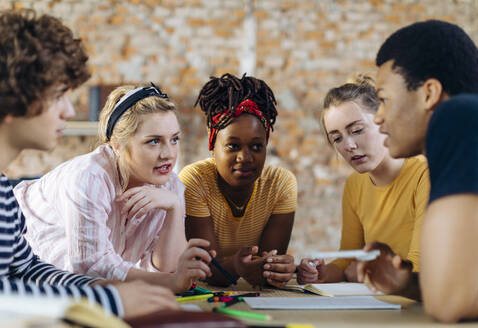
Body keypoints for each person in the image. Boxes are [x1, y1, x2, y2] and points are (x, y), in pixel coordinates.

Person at [0, 9, 179, 319]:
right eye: (58, 96)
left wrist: (103, 290)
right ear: (13, 97)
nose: (69, 111)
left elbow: (26, 270)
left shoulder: (3, 192)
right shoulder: (88, 176)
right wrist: (110, 302)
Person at [14, 83, 214, 294]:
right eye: (154, 141)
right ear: (117, 145)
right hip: (14, 255)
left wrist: (174, 208)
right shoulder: (88, 177)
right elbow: (90, 267)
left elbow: (167, 269)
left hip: (67, 286)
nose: (168, 154)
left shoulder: (170, 186)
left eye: (174, 139)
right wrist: (170, 283)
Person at [356, 20, 478, 322]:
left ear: (429, 93)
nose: (378, 117)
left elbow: (450, 304)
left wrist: (445, 292)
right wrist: (411, 285)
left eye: (383, 99)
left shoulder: (458, 116)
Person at [297, 75, 429, 284]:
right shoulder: (355, 185)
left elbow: (418, 268)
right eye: (337, 138)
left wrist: (364, 271)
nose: (348, 145)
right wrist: (322, 273)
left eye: (357, 130)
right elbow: (348, 260)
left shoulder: (424, 174)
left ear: (383, 121)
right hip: (381, 302)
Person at [179, 73, 297, 287]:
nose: (245, 157)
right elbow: (207, 270)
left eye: (256, 146)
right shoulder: (195, 181)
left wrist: (280, 269)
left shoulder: (280, 184)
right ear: (212, 142)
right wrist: (237, 266)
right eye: (233, 146)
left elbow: (266, 272)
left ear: (266, 144)